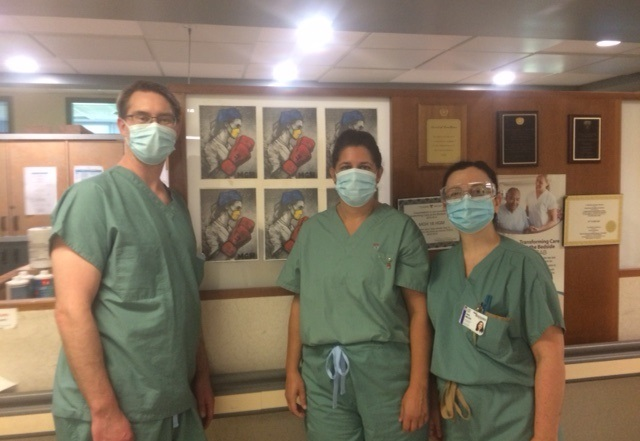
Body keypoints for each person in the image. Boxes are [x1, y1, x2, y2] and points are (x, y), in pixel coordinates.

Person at [50, 80, 214, 441]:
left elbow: (186, 300)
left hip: (175, 401)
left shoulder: (179, 208)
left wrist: (201, 376)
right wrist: (104, 411)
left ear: (176, 128)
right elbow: (70, 311)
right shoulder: (92, 199)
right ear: (122, 126)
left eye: (164, 119)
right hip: (118, 411)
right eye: (142, 117)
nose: (154, 127)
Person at [278, 129, 432, 441]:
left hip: (388, 376)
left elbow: (419, 313)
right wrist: (291, 370)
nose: (355, 174)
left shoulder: (400, 229)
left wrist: (418, 386)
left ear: (379, 173)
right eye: (346, 167)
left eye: (364, 167)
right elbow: (300, 304)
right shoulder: (312, 231)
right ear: (332, 173)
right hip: (323, 374)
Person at [427, 161, 565, 441]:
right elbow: (437, 346)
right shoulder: (439, 268)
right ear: (445, 206)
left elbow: (549, 355)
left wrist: (545, 435)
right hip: (454, 419)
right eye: (455, 194)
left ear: (496, 201)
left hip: (511, 421)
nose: (466, 200)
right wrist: (432, 405)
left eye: (478, 192)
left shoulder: (524, 266)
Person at [201, 107, 255, 179]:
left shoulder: (229, 146)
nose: (239, 131)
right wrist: (231, 164)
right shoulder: (210, 147)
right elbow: (212, 179)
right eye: (237, 126)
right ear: (226, 124)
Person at [202, 190, 255, 261]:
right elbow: (214, 262)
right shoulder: (211, 230)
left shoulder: (230, 228)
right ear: (227, 206)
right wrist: (232, 245)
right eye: (237, 208)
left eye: (240, 209)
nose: (239, 212)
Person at [265, 109, 315, 179]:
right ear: (288, 125)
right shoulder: (273, 148)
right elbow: (275, 179)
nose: (300, 132)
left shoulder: (291, 147)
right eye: (298, 127)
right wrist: (293, 164)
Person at [266, 190, 307, 259]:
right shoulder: (274, 229)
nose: (301, 212)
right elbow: (278, 256)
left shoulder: (291, 227)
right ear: (290, 206)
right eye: (299, 208)